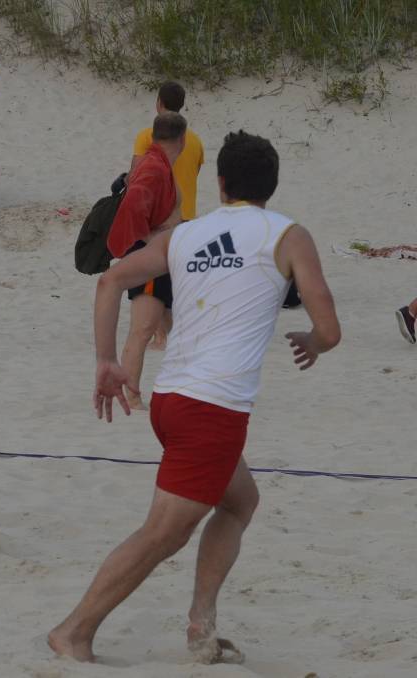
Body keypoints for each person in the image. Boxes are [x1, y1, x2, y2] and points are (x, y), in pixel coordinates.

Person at [48, 130, 341, 664]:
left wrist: (106, 359)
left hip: (170, 401)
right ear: (272, 186)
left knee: (240, 501)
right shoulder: (288, 235)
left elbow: (109, 282)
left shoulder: (185, 234)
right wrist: (313, 342)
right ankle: (73, 632)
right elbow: (330, 329)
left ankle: (201, 624)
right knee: (162, 535)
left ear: (221, 183)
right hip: (212, 408)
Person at [109, 112, 185, 410]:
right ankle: (132, 398)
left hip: (163, 258)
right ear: (182, 139)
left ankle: (185, 391)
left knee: (176, 326)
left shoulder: (157, 163)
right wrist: (150, 238)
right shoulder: (153, 167)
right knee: (141, 330)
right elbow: (132, 207)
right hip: (151, 259)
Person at [132, 81, 205, 221]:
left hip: (159, 220)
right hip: (187, 219)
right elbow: (193, 174)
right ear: (181, 105)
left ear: (159, 102)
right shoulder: (195, 141)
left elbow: (135, 177)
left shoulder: (146, 136)